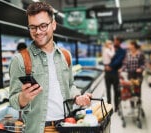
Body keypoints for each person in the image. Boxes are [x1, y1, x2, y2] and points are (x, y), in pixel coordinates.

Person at [9, 2, 92, 133]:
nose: (38, 32)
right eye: (33, 27)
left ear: (53, 25)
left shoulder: (65, 55)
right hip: (40, 129)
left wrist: (77, 97)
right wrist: (23, 98)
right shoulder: (20, 60)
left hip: (67, 125)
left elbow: (70, 85)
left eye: (43, 26)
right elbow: (13, 100)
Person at [105, 36, 126, 111]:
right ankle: (109, 107)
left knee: (116, 90)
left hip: (115, 73)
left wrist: (110, 66)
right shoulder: (109, 48)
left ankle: (117, 107)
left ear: (120, 42)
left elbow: (119, 60)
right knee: (108, 90)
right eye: (114, 40)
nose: (115, 42)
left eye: (116, 41)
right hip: (107, 73)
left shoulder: (122, 51)